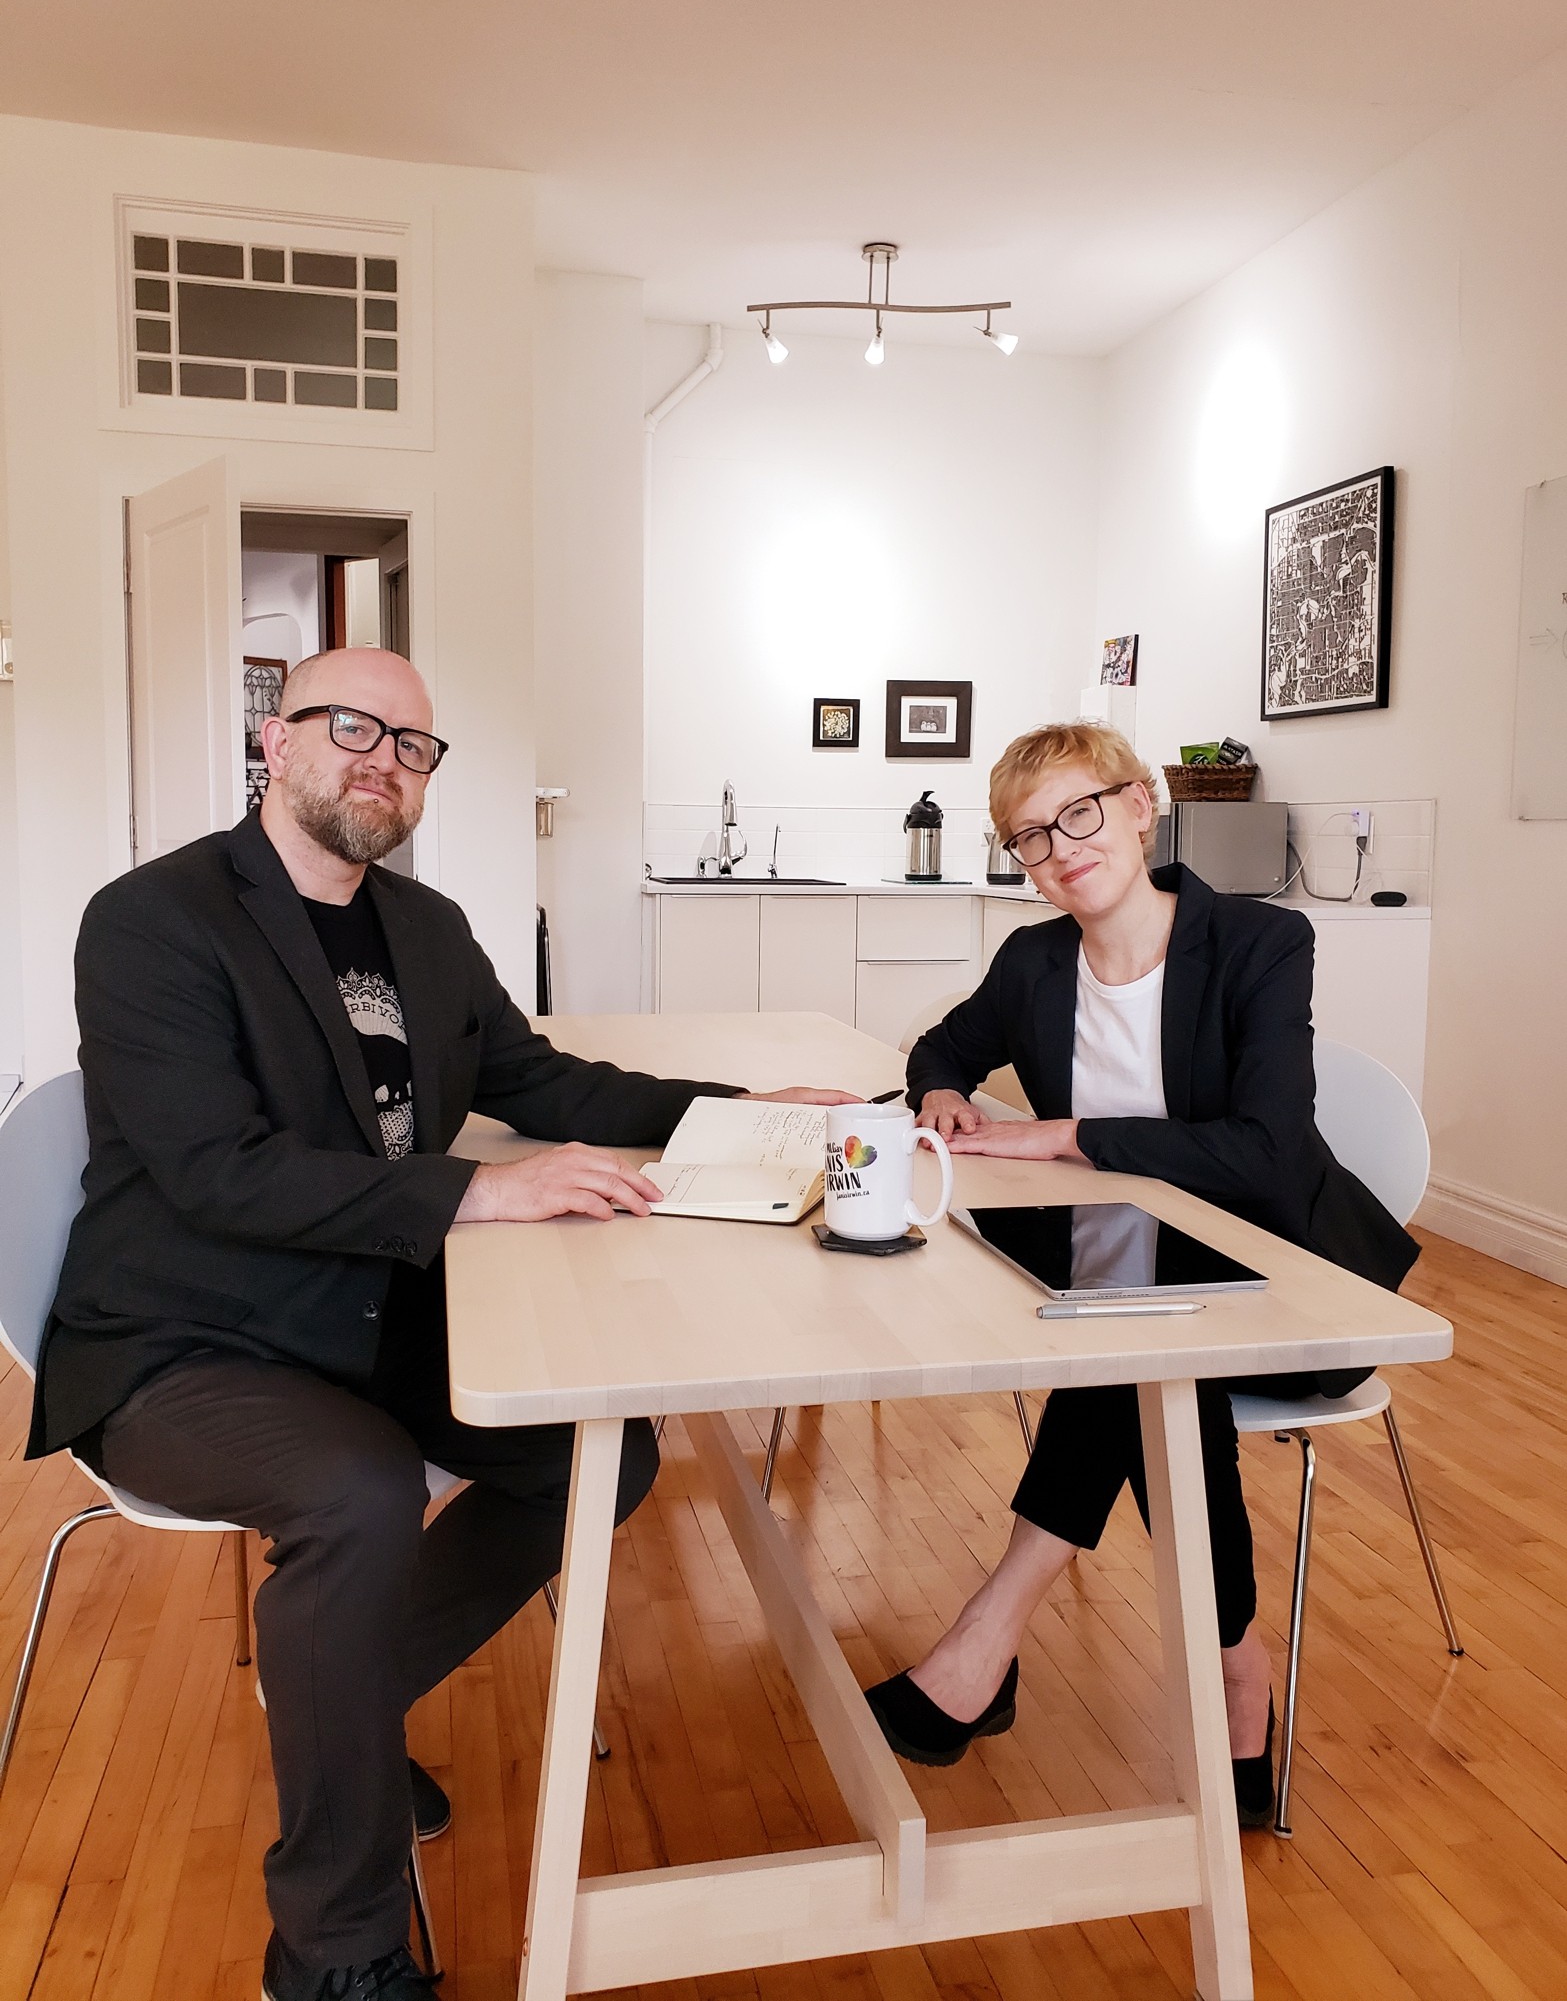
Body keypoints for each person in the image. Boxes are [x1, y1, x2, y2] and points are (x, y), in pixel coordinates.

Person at [27, 647, 855, 2001]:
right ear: (271, 739)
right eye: (350, 726)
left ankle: (338, 1693)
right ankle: (333, 1956)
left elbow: (541, 1077)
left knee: (599, 1456)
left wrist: (745, 1111)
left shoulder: (426, 927)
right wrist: (475, 1190)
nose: (383, 760)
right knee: (354, 1492)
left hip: (361, 1305)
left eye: (413, 744)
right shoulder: (153, 919)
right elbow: (213, 1169)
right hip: (189, 1332)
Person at [863, 723, 1417, 1826]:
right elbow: (939, 1048)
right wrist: (940, 1098)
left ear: (1139, 807)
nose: (1059, 849)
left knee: (1136, 1356)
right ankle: (1232, 1668)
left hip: (1293, 1280)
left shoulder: (1259, 942)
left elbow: (1264, 1150)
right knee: (1139, 1352)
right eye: (1027, 837)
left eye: (1078, 813)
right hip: (1130, 1273)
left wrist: (1069, 1135)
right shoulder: (1032, 961)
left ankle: (991, 1634)